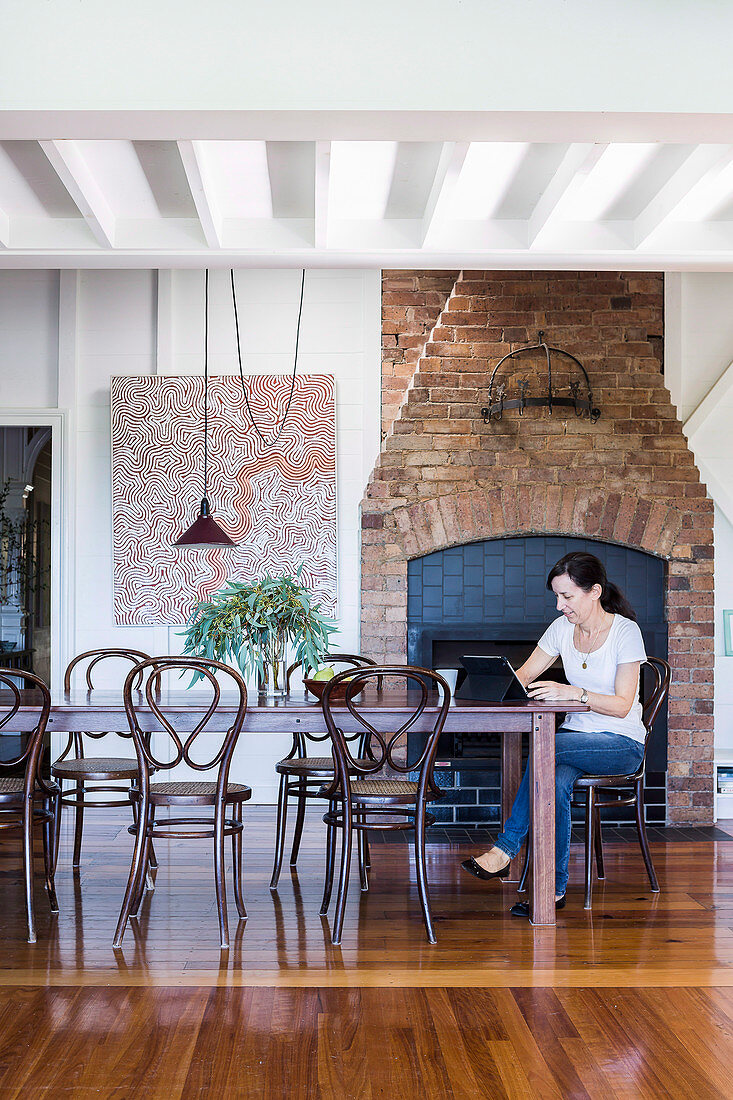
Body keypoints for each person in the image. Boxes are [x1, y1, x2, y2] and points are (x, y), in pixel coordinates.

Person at [460, 551, 647, 915]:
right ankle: (552, 890)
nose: (560, 606)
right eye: (557, 597)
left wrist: (571, 692)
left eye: (567, 596)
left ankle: (504, 850)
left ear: (594, 591)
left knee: (548, 746)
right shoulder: (562, 629)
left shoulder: (625, 631)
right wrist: (489, 684)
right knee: (555, 780)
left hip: (621, 743)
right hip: (572, 744)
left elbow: (623, 705)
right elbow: (524, 675)